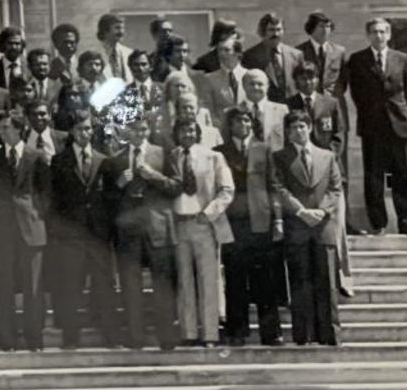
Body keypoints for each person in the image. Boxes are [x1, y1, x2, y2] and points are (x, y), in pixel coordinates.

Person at [341, 17, 407, 235]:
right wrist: (372, 112)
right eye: (374, 32)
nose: (378, 36)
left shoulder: (401, 59)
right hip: (372, 125)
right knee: (373, 176)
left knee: (402, 175)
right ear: (368, 35)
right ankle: (378, 223)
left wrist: (398, 112)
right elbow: (356, 93)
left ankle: (406, 220)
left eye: (382, 32)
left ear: (389, 35)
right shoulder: (358, 60)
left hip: (399, 124)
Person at [271, 108, 343, 345]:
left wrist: (321, 211)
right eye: (293, 127)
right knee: (300, 281)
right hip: (298, 225)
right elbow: (279, 187)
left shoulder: (327, 156)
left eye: (302, 126)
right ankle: (304, 335)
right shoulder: (280, 157)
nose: (298, 131)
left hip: (323, 226)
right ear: (288, 132)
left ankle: (330, 335)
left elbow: (335, 188)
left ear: (310, 127)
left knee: (327, 281)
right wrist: (300, 211)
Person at [46, 114, 118, 349]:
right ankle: (70, 339)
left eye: (88, 129)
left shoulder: (103, 161)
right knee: (71, 288)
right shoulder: (59, 161)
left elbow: (109, 198)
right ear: (72, 133)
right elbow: (53, 200)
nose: (84, 133)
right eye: (80, 129)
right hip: (71, 236)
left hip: (97, 235)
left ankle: (110, 336)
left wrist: (107, 229)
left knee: (104, 286)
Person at [108, 116, 180, 351]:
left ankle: (167, 337)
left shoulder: (162, 153)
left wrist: (153, 175)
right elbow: (106, 198)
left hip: (157, 227)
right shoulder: (116, 158)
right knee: (131, 286)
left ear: (149, 130)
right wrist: (118, 184)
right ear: (126, 132)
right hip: (129, 231)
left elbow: (176, 186)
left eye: (143, 129)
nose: (139, 133)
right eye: (134, 129)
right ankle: (135, 337)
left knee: (162, 284)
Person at [165, 113, 234, 347]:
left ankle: (210, 333)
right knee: (184, 280)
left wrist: (209, 213)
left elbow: (227, 190)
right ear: (176, 134)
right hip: (180, 224)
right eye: (183, 130)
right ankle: (189, 332)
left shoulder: (214, 157)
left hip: (204, 223)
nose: (188, 134)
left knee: (208, 279)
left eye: (192, 130)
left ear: (198, 133)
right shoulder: (171, 157)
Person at [0, 109, 49, 352]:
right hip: (4, 229)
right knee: (5, 286)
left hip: (31, 228)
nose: (2, 133)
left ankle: (35, 339)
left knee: (33, 288)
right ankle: (7, 340)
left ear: (19, 129)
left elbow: (46, 193)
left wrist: (35, 214)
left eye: (6, 128)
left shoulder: (36, 156)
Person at [218, 106, 282, 347]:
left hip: (260, 221)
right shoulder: (220, 152)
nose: (243, 125)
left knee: (265, 279)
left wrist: (277, 219)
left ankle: (270, 332)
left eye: (247, 121)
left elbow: (273, 185)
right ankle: (237, 331)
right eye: (238, 121)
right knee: (235, 278)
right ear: (230, 125)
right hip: (233, 223)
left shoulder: (263, 149)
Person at [243, 13, 303, 102]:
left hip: (293, 107)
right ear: (263, 31)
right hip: (267, 106)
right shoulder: (250, 56)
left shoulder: (296, 54)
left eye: (279, 30)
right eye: (271, 30)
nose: (276, 34)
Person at [297, 12, 347, 98]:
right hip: (310, 102)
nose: (325, 30)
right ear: (311, 28)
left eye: (328, 26)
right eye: (321, 26)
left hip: (334, 102)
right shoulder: (299, 52)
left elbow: (343, 80)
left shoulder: (339, 51)